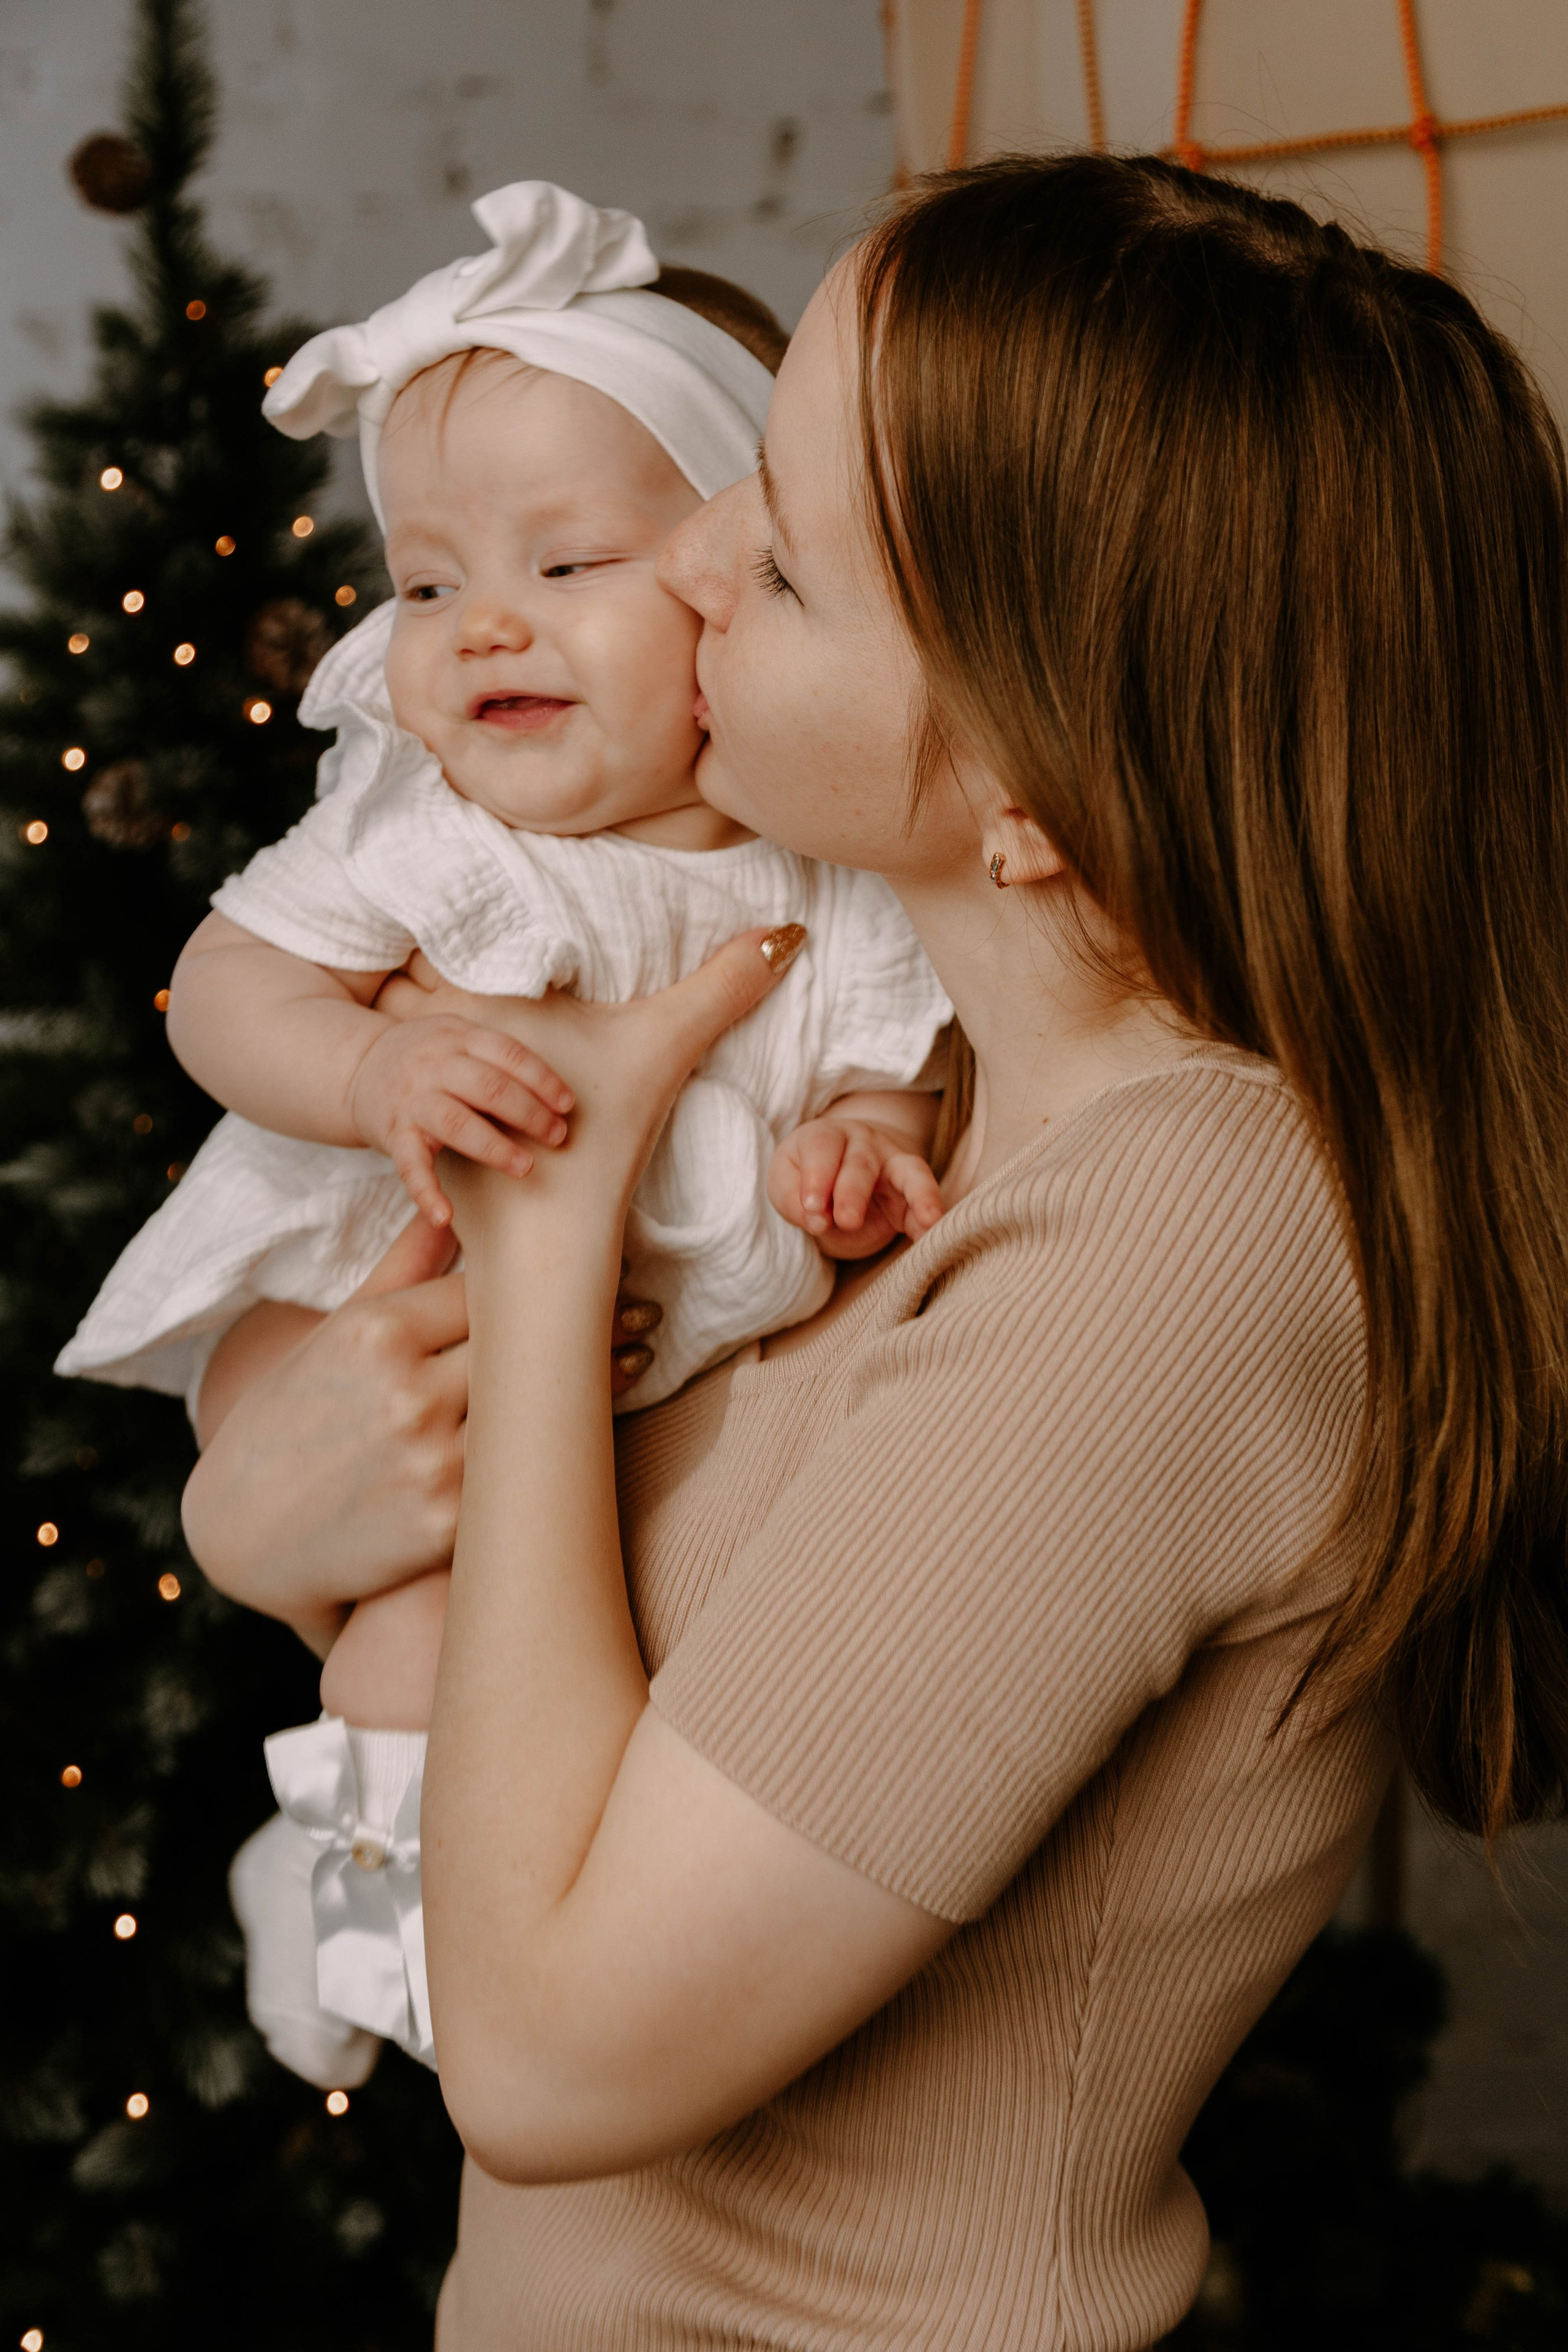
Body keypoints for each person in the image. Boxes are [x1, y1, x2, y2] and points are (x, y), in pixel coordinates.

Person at [183, 155, 1568, 2350]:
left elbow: (549, 2063)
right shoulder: (907, 1122)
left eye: (792, 554)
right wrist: (268, 1521)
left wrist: (546, 1248)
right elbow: (573, 1668)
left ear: (1030, 782)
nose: (695, 552)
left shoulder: (1173, 1256)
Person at [58, 181, 950, 2091]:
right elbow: (223, 988)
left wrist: (859, 1139)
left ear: (722, 575)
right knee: (408, 1644)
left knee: (575, 1683)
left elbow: (891, 1059)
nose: (481, 634)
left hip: (632, 1380)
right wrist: (368, 1076)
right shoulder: (434, 834)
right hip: (371, 1304)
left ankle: (450, 1912)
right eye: (430, 582)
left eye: (564, 568)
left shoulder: (838, 873)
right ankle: (351, 1909)